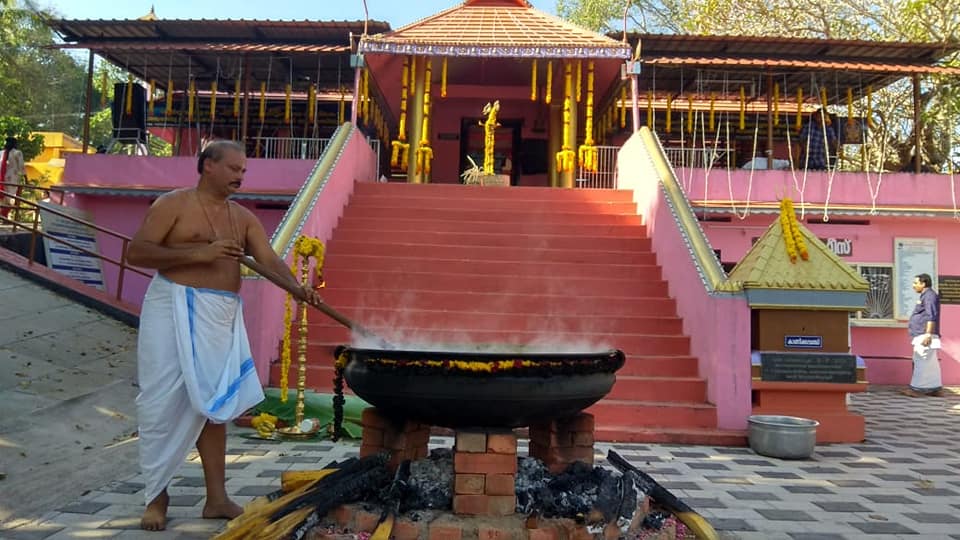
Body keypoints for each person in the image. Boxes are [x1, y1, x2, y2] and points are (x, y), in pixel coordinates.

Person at [125, 140, 322, 531]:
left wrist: (297, 287)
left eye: (243, 170)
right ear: (207, 166)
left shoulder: (242, 218)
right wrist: (198, 254)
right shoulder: (172, 205)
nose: (239, 176)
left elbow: (268, 260)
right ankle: (156, 496)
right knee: (161, 400)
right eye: (233, 168)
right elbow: (137, 252)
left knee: (215, 404)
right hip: (172, 307)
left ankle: (216, 498)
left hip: (220, 314)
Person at [902, 273, 943, 398]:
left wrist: (928, 334)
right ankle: (934, 388)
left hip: (924, 334)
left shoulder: (929, 296)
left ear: (923, 283)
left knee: (920, 360)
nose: (913, 286)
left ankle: (916, 389)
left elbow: (932, 315)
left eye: (916, 283)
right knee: (930, 363)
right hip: (923, 333)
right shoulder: (926, 295)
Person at [1, 136, 26, 219]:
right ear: (15, 144)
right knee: (11, 199)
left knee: (3, 199)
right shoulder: (17, 153)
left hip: (1, 179)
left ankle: (3, 217)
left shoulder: (1, 153)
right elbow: (22, 167)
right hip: (11, 180)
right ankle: (4, 216)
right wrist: (26, 179)